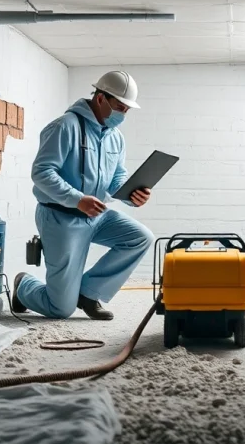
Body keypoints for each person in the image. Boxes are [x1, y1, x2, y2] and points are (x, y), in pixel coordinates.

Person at [12, 70, 154, 320]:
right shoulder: (64, 126)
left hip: (97, 216)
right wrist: (77, 199)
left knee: (140, 238)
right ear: (101, 99)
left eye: (127, 109)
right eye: (120, 107)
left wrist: (130, 194)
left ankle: (88, 293)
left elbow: (116, 176)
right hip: (61, 217)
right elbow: (41, 173)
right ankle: (24, 285)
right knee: (60, 309)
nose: (124, 115)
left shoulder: (115, 137)